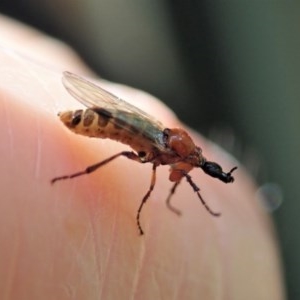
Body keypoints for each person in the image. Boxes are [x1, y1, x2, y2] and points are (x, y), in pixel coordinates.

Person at [0, 15, 285, 299]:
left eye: (195, 159)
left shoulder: (178, 152)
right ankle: (80, 173)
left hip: (125, 123)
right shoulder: (166, 150)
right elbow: (175, 173)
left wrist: (187, 185)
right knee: (127, 154)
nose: (193, 163)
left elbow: (180, 174)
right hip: (103, 122)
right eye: (194, 159)